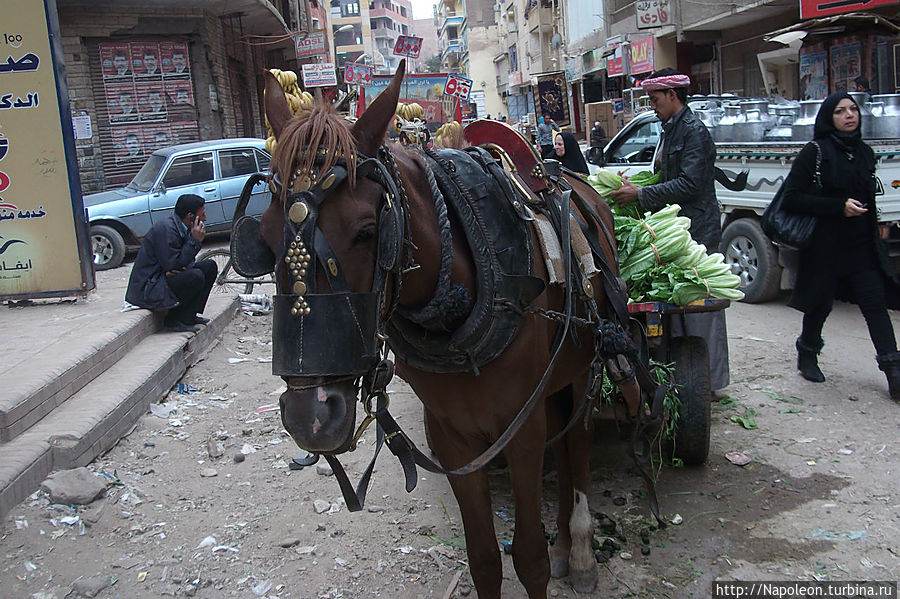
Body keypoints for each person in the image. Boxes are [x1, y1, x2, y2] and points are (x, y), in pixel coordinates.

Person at [609, 68, 729, 392]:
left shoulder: (693, 131)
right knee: (677, 305)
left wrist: (642, 194)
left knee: (700, 307)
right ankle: (683, 378)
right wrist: (637, 186)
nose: (652, 105)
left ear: (673, 96)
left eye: (655, 99)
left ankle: (709, 383)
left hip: (698, 229)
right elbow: (666, 177)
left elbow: (690, 183)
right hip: (679, 227)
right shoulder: (670, 129)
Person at [781, 92, 900, 398]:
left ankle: (893, 371)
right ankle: (807, 351)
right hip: (824, 248)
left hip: (861, 247)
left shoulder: (864, 152)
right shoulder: (815, 152)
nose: (849, 115)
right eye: (840, 111)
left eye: (853, 109)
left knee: (875, 307)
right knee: (819, 307)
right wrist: (838, 207)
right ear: (827, 118)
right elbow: (792, 197)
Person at [125, 194, 218, 333]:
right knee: (195, 276)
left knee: (209, 266)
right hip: (149, 286)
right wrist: (194, 241)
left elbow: (183, 263)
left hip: (162, 277)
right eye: (202, 215)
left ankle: (190, 315)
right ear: (190, 216)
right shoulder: (167, 229)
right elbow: (173, 264)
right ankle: (175, 320)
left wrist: (180, 265)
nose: (204, 219)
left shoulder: (182, 227)